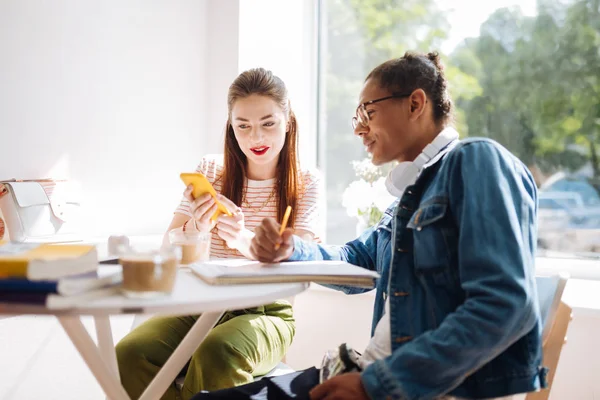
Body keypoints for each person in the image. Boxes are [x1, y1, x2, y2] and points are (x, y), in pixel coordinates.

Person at [191, 51, 546, 400]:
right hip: (372, 375)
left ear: (415, 104)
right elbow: (355, 258)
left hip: (397, 386)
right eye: (356, 116)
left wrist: (376, 384)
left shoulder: (476, 160)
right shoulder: (410, 199)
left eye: (368, 111)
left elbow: (505, 304)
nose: (359, 128)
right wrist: (290, 249)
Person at [116, 67, 323, 400]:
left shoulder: (306, 181)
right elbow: (169, 246)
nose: (256, 138)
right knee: (129, 354)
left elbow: (305, 258)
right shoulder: (211, 170)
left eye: (268, 123)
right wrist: (196, 227)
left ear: (288, 120)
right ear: (231, 126)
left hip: (267, 311)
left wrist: (242, 239)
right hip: (200, 303)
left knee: (218, 351)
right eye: (243, 126)